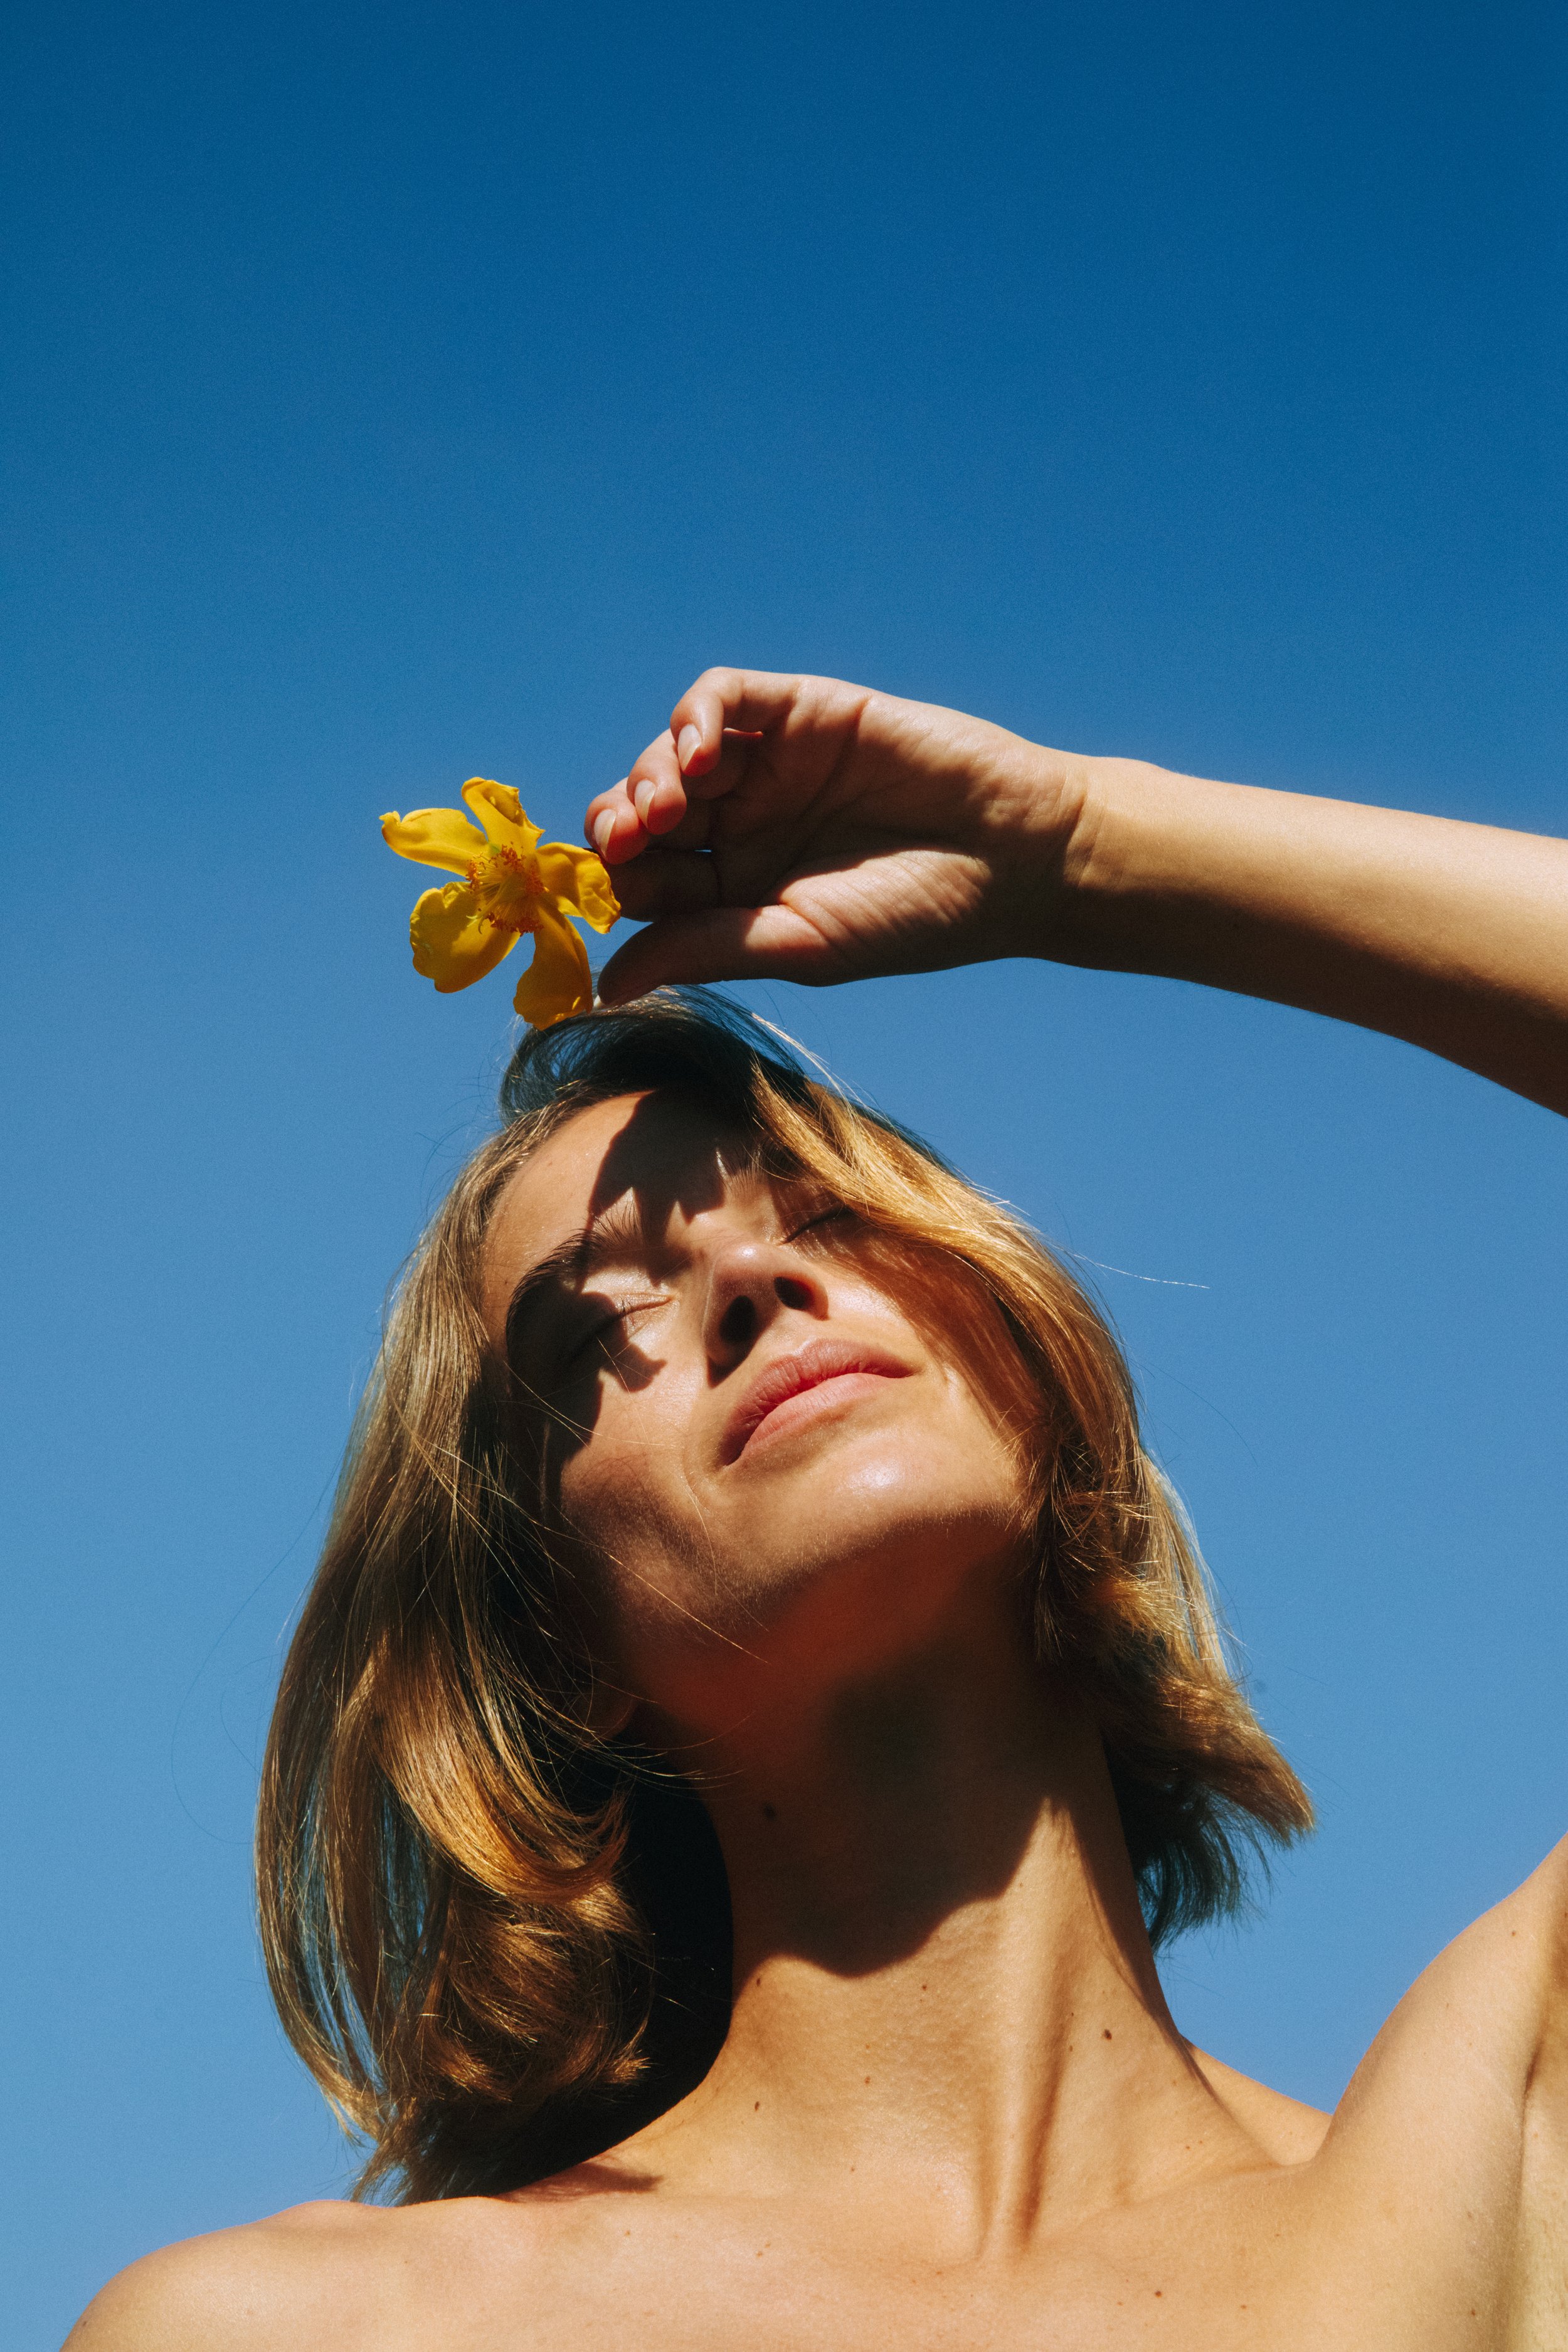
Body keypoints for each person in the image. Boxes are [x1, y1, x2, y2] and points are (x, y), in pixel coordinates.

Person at [72, 670, 1568, 2350]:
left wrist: (1083, 848)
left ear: (1028, 1358)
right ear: (549, 1651)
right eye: (591, 1328)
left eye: (822, 1216)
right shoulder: (303, 2333)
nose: (748, 1283)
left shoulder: (1483, 2188)